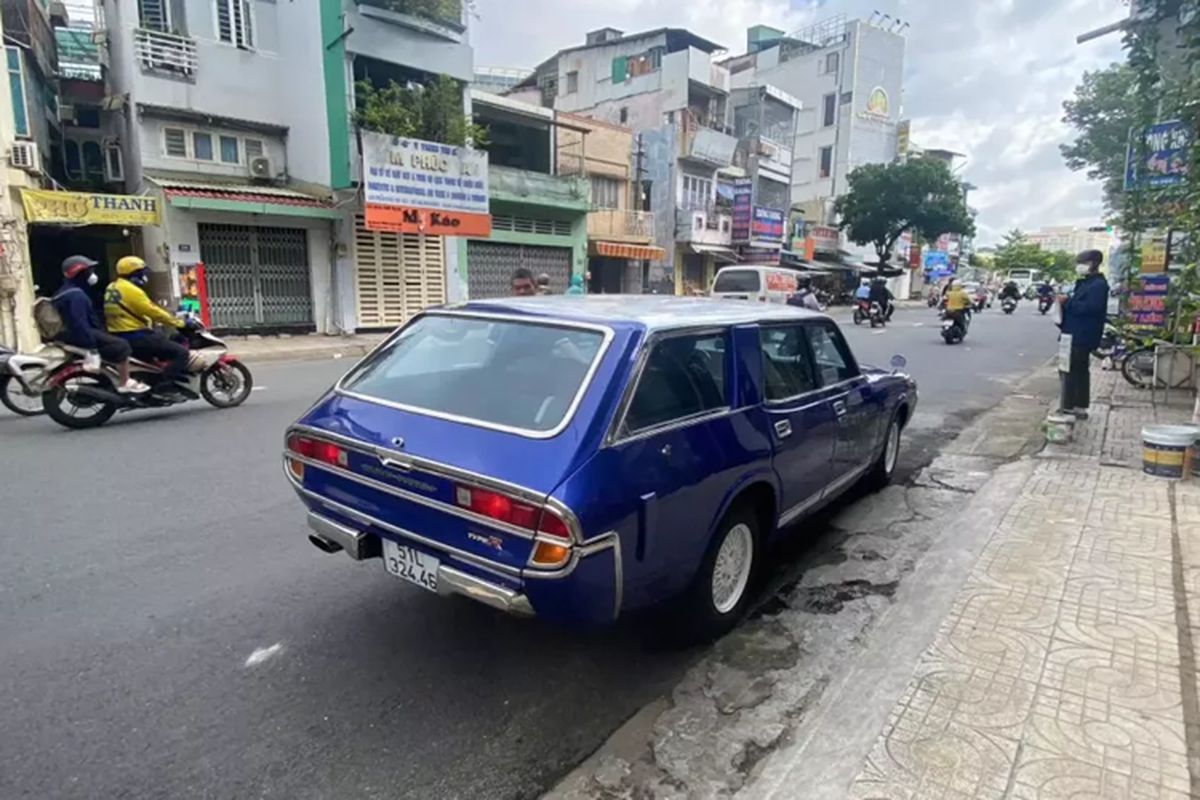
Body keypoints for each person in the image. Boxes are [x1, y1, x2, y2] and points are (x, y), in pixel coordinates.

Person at [52, 256, 147, 394]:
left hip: (69, 334)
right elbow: (80, 324)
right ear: (80, 273)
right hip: (79, 335)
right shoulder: (76, 296)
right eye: (89, 271)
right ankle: (124, 381)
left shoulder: (66, 291)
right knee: (122, 345)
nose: (93, 274)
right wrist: (91, 347)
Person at [104, 256, 190, 393]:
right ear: (135, 273)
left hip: (119, 334)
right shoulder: (132, 290)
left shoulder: (112, 287)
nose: (145, 275)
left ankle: (149, 381)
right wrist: (178, 322)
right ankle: (165, 384)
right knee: (181, 353)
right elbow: (153, 311)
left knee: (162, 345)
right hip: (136, 335)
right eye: (142, 272)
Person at [1057, 250, 1110, 420]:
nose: (1078, 266)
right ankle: (1077, 405)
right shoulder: (1085, 283)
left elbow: (1091, 308)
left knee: (1072, 370)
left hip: (1082, 334)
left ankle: (1070, 406)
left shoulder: (1098, 285)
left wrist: (1067, 302)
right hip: (1073, 332)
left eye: (1081, 262)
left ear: (1092, 263)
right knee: (1077, 370)